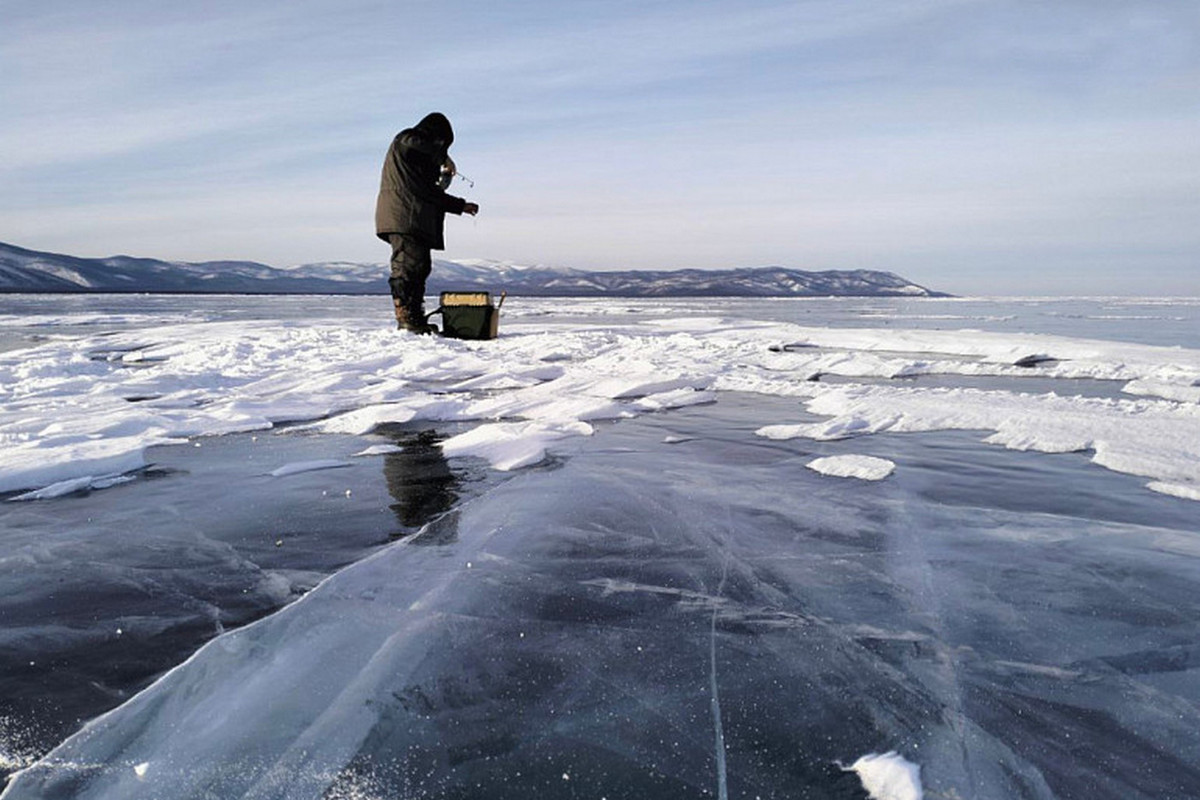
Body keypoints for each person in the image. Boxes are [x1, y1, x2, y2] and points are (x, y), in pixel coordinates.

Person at [375, 112, 479, 333]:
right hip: (404, 216)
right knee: (407, 267)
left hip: (414, 217)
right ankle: (406, 319)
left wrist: (459, 204)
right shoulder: (406, 139)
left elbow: (430, 192)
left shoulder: (417, 164)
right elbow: (413, 143)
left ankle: (415, 317)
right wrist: (443, 156)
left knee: (420, 266)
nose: (442, 148)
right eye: (442, 143)